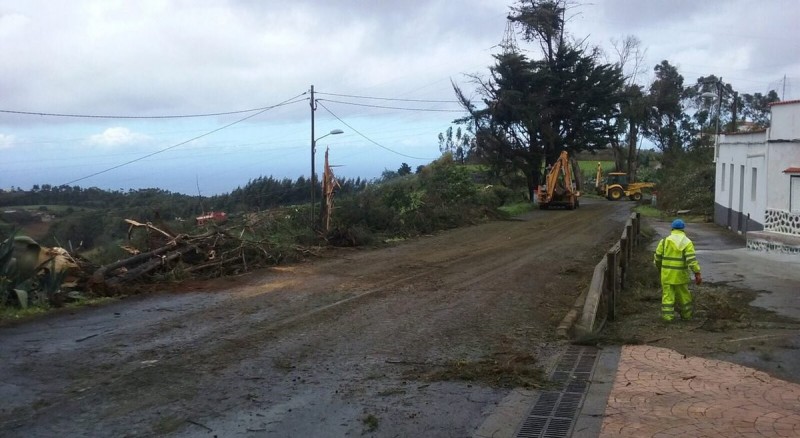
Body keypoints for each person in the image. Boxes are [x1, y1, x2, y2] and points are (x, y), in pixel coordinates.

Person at [653, 219, 702, 321]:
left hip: (667, 275)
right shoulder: (687, 242)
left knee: (667, 297)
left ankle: (667, 318)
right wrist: (697, 272)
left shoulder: (664, 241)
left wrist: (659, 268)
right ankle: (687, 316)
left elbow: (657, 257)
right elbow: (691, 260)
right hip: (681, 275)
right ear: (683, 229)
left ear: (672, 228)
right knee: (684, 296)